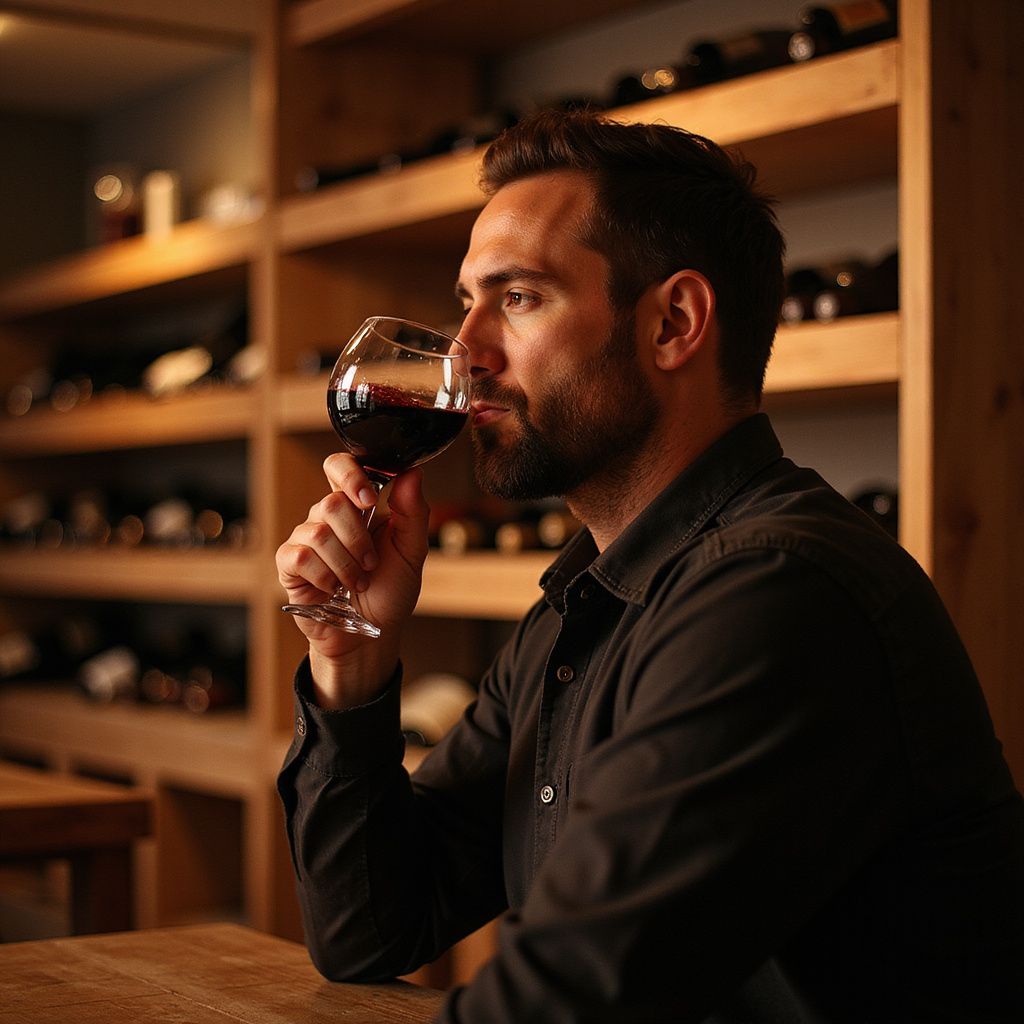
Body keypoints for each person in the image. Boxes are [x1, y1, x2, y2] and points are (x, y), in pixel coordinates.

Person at [275, 110, 1024, 1022]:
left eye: (517, 299)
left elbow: (565, 1000)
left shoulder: (780, 595)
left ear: (673, 323)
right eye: (465, 302)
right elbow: (371, 931)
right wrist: (352, 666)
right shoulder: (586, 600)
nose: (463, 354)